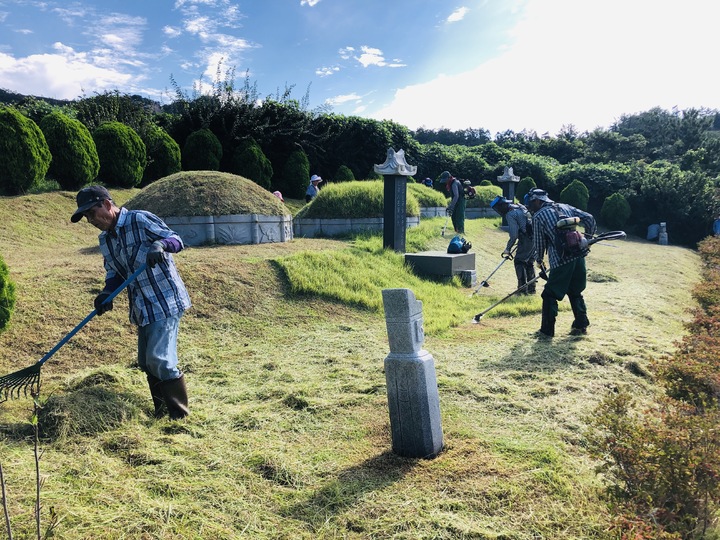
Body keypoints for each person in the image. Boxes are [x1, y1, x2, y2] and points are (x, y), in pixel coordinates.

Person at [71, 186, 192, 419]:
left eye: (91, 213)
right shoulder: (105, 240)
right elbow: (113, 272)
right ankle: (162, 412)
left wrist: (160, 245)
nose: (90, 220)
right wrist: (106, 293)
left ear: (106, 204)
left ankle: (179, 417)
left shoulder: (139, 219)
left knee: (160, 359)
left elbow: (175, 239)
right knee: (146, 362)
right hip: (142, 306)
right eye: (86, 217)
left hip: (164, 300)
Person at [526, 188, 596, 338]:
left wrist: (539, 261)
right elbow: (589, 218)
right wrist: (588, 240)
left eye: (532, 204)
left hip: (560, 260)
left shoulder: (538, 216)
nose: (531, 208)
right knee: (575, 291)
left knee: (550, 294)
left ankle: (547, 331)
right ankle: (581, 325)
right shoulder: (565, 206)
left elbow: (539, 242)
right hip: (578, 256)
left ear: (538, 201)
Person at [489, 196, 536, 294]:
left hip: (527, 238)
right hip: (535, 237)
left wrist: (508, 248)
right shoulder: (519, 206)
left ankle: (522, 290)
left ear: (502, 206)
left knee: (519, 262)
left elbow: (514, 235)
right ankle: (532, 289)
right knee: (529, 263)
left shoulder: (510, 214)